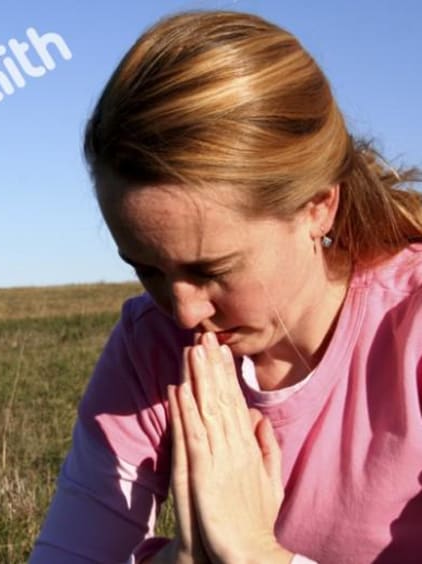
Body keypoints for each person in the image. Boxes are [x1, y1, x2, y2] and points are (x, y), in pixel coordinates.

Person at [29, 10, 422, 564]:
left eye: (211, 269)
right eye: (147, 269)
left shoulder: (411, 332)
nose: (183, 313)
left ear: (317, 208)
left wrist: (256, 555)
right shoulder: (150, 346)